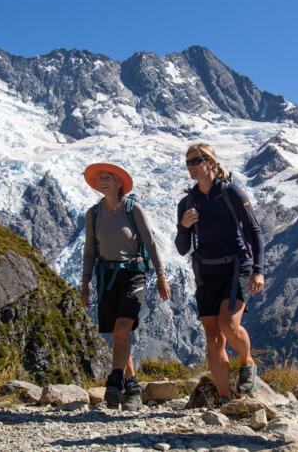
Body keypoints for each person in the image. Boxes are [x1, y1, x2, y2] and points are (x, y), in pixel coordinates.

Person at [175, 143, 265, 406]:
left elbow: (254, 231)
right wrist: (184, 226)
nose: (191, 166)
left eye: (196, 161)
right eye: (188, 162)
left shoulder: (231, 193)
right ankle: (226, 400)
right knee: (213, 339)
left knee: (229, 324)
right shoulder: (188, 202)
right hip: (206, 272)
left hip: (237, 267)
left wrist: (258, 270)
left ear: (211, 163)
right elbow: (182, 249)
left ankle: (247, 363)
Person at [80, 162, 170, 410]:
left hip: (133, 274)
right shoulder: (93, 214)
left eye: (108, 176)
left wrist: (161, 275)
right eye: (101, 178)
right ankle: (132, 387)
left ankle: (114, 381)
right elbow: (89, 251)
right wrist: (85, 283)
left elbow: (150, 244)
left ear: (120, 183)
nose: (103, 180)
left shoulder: (133, 209)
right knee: (120, 335)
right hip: (106, 277)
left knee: (122, 328)